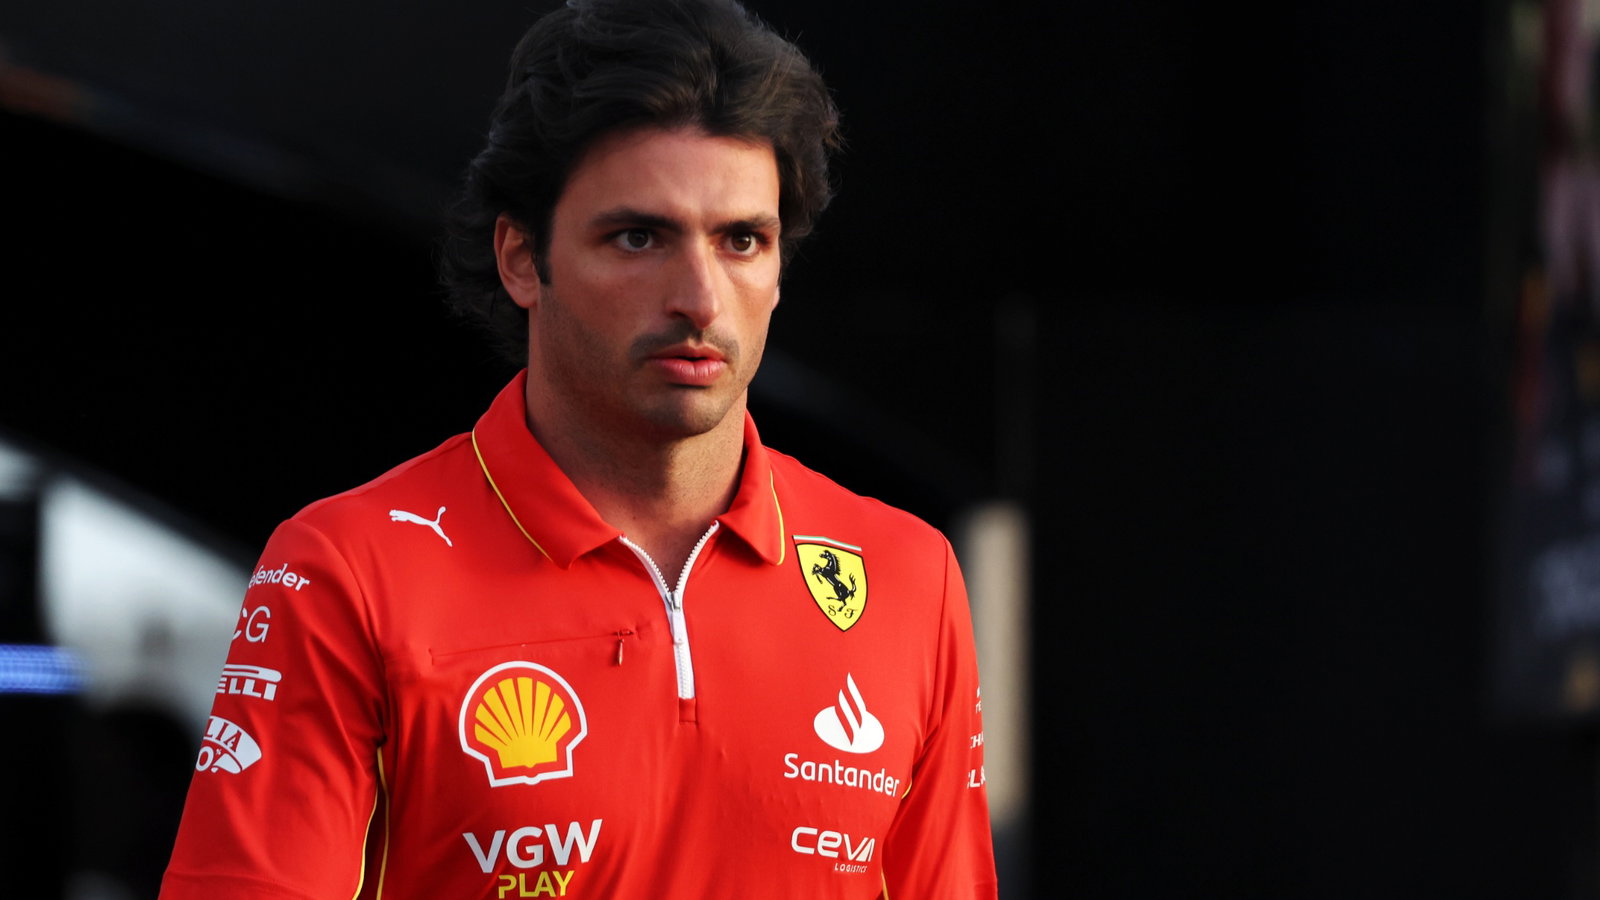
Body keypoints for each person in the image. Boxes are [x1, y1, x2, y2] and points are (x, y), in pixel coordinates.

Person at [159, 0, 996, 896]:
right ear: (522, 259)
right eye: (639, 237)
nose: (700, 298)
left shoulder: (909, 577)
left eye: (742, 241)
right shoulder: (347, 571)